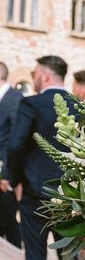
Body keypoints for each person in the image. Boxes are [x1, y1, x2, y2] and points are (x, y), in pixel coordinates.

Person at [8, 55, 79, 260]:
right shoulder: (82, 107)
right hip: (70, 196)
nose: (33, 79)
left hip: (34, 192)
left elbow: (15, 145)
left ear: (45, 76)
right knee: (69, 256)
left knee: (35, 255)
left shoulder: (31, 104)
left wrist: (15, 180)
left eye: (34, 74)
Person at [0, 61, 22, 250]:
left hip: (5, 173)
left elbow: (15, 140)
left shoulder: (15, 99)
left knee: (8, 221)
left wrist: (7, 174)